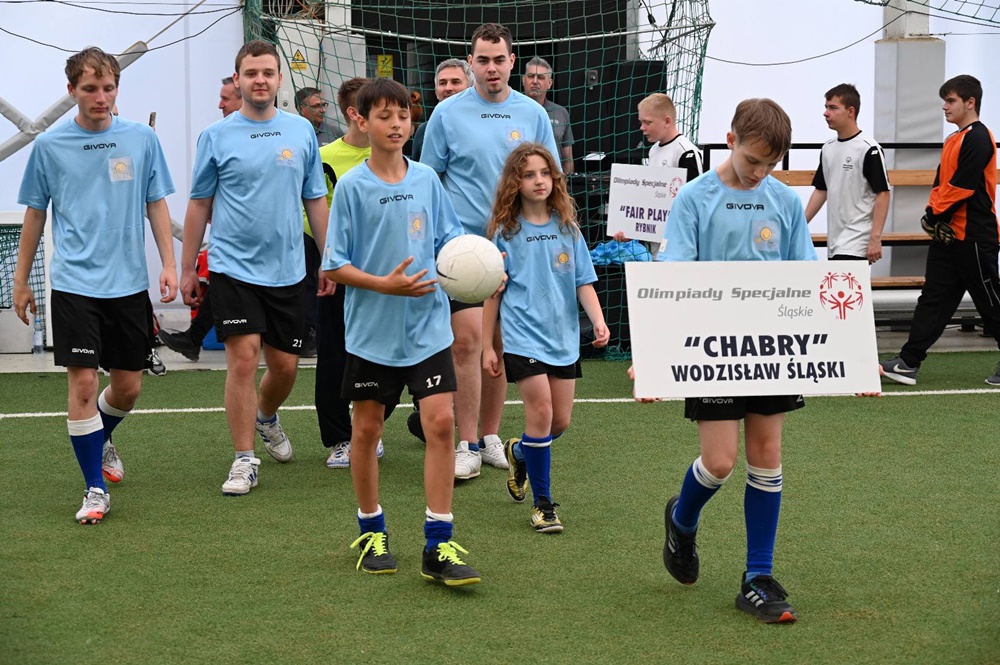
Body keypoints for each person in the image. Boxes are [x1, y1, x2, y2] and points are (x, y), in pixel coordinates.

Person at [639, 99, 815, 623]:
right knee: (719, 463)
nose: (760, 172)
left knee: (767, 455)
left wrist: (853, 353)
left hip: (769, 348)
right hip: (711, 349)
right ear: (731, 139)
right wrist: (653, 355)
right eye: (753, 160)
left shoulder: (784, 200)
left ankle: (757, 576)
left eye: (770, 164)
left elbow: (807, 279)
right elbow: (673, 278)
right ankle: (682, 519)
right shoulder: (695, 197)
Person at [323, 77, 481, 585]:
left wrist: (479, 267)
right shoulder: (352, 186)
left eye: (403, 116)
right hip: (372, 334)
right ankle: (372, 530)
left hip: (428, 329)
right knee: (367, 430)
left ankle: (439, 542)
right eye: (384, 116)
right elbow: (334, 265)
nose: (396, 124)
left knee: (441, 423)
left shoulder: (428, 179)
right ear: (361, 120)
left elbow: (452, 244)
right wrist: (384, 285)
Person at [12, 47, 178, 523]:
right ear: (72, 91)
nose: (101, 97)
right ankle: (94, 488)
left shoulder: (141, 138)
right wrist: (21, 280)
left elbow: (156, 202)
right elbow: (35, 214)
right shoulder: (49, 146)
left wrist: (168, 264)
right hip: (74, 285)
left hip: (128, 285)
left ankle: (101, 436)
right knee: (84, 383)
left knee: (127, 389)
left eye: (108, 88)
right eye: (90, 88)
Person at [180, 40, 332, 495]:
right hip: (233, 268)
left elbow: (315, 199)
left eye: (267, 73)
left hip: (288, 270)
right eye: (251, 73)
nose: (259, 80)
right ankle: (244, 458)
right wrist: (187, 269)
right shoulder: (216, 136)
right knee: (244, 359)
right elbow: (199, 204)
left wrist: (329, 260)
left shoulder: (301, 131)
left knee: (284, 368)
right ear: (238, 79)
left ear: (279, 79)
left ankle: (266, 417)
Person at [420, 22, 560, 480]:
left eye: (499, 59)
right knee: (466, 342)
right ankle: (467, 443)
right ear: (471, 63)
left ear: (512, 61)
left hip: (516, 248)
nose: (492, 68)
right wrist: (437, 242)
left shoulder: (533, 114)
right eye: (482, 60)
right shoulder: (446, 114)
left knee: (500, 345)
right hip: (462, 250)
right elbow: (429, 181)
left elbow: (550, 180)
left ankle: (492, 435)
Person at [483, 142, 609, 533]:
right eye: (528, 175)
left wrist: (599, 322)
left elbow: (583, 281)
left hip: (563, 339)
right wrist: (488, 345)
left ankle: (520, 452)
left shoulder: (567, 228)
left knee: (559, 422)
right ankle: (543, 506)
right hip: (523, 338)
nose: (538, 181)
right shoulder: (504, 232)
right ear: (514, 183)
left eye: (544, 173)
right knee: (540, 414)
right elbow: (492, 293)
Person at [879, 74, 1000, 387]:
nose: (944, 107)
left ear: (970, 103)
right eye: (944, 101)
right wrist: (932, 215)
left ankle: (908, 361)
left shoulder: (979, 137)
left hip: (975, 237)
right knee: (933, 300)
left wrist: (934, 216)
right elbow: (941, 184)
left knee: (990, 300)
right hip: (948, 237)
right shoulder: (953, 139)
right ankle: (908, 362)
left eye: (950, 101)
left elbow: (963, 186)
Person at [314, 76, 392, 469]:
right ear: (354, 114)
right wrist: (328, 262)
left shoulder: (396, 159)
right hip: (341, 271)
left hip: (387, 272)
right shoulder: (325, 156)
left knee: (389, 355)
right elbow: (314, 214)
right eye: (378, 112)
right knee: (334, 354)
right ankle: (340, 438)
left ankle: (370, 427)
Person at [159, 77, 244, 362]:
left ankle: (194, 337)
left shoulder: (286, 132)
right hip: (229, 236)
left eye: (226, 98)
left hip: (267, 245)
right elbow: (201, 196)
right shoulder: (214, 136)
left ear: (242, 98)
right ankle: (194, 337)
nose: (220, 104)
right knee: (221, 281)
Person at [805, 83, 891, 263]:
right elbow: (821, 190)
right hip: (835, 242)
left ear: (850, 111)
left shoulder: (869, 148)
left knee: (844, 282)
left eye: (833, 108)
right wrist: (800, 224)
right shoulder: (828, 148)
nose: (825, 113)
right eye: (826, 107)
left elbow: (883, 194)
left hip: (857, 241)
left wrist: (875, 238)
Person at [613, 92, 703, 247]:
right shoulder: (653, 150)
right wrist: (633, 229)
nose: (642, 128)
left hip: (680, 246)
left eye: (647, 122)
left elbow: (697, 200)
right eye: (641, 122)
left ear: (667, 121)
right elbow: (652, 200)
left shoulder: (685, 151)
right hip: (656, 245)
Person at [411, 58, 473, 162]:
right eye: (442, 83)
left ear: (471, 88)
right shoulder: (424, 130)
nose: (448, 88)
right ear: (436, 92)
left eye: (455, 82)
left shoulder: (485, 124)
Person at [522, 56, 575, 174]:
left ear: (549, 83)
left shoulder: (560, 112)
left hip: (554, 180)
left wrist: (565, 182)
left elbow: (568, 159)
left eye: (540, 77)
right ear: (523, 80)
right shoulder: (511, 111)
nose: (535, 81)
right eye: (531, 76)